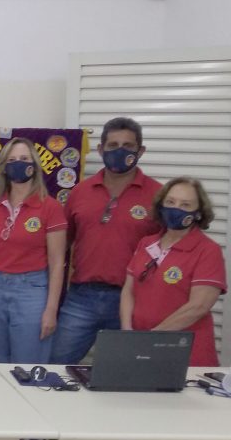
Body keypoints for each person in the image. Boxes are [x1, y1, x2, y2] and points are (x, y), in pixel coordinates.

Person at [50, 117, 162, 364]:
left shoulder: (158, 195)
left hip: (131, 299)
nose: (120, 151)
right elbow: (62, 244)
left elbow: (167, 250)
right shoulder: (80, 191)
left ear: (140, 151)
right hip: (81, 297)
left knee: (125, 372)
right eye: (113, 145)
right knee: (55, 365)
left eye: (128, 146)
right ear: (101, 150)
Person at [0, 138, 66, 363]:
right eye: (12, 160)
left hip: (31, 291)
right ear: (4, 167)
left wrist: (51, 309)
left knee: (28, 362)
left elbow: (57, 263)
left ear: (34, 164)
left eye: (24, 158)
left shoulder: (50, 207)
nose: (18, 164)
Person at [121, 177, 226, 366]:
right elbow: (128, 290)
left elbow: (198, 306)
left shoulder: (208, 250)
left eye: (185, 205)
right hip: (140, 346)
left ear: (198, 213)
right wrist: (127, 331)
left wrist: (153, 338)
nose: (176, 209)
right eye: (170, 202)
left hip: (185, 352)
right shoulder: (146, 243)